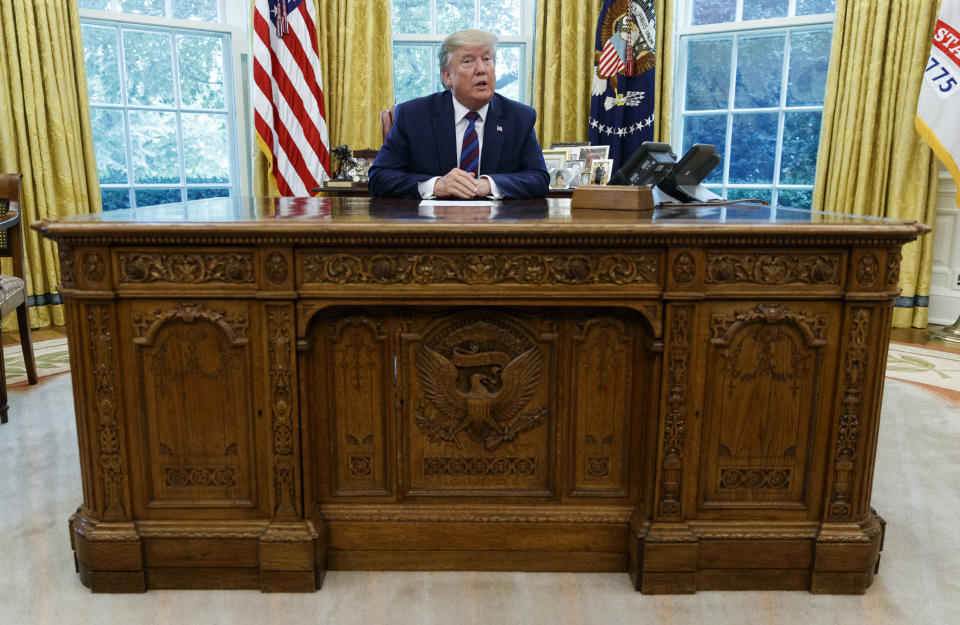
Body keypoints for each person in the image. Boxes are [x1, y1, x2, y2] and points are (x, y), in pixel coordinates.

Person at [369, 29, 549, 199]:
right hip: (432, 226)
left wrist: (489, 185)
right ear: (448, 77)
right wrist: (436, 185)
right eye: (468, 61)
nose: (481, 69)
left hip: (496, 227)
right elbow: (379, 178)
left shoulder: (519, 118)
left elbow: (539, 179)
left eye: (487, 59)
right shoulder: (413, 115)